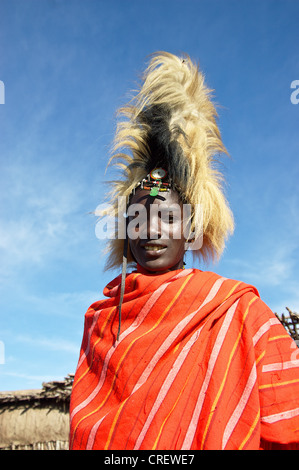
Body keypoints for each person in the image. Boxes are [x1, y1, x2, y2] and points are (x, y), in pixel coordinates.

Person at [69, 52, 299, 450]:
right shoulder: (102, 321)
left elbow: (286, 413)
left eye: (168, 218)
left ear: (191, 229)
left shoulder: (236, 312)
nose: (150, 229)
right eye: (136, 218)